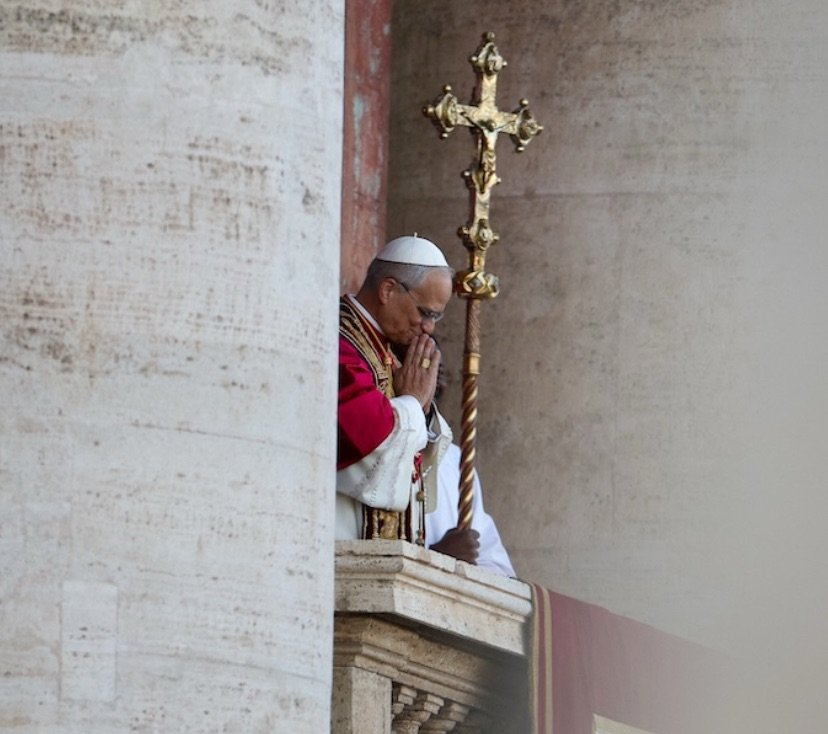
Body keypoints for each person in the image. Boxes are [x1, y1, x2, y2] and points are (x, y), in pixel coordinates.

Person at [336, 234, 454, 543]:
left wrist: (422, 409)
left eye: (436, 317)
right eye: (426, 313)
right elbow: (363, 436)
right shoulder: (339, 341)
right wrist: (413, 402)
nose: (429, 328)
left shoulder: (386, 349)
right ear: (388, 290)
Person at [425, 361, 515, 577]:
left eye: (441, 371)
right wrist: (436, 559)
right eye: (426, 364)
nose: (440, 382)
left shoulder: (456, 461)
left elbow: (496, 567)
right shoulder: (372, 449)